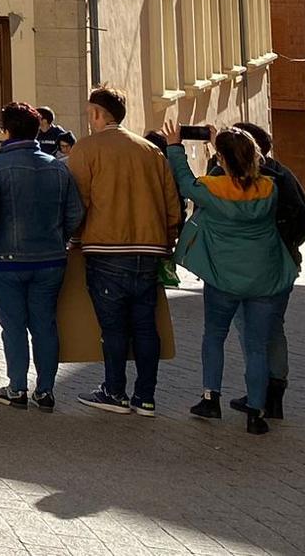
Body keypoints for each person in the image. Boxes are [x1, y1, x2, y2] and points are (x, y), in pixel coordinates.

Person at [165, 123, 294, 434]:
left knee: (214, 336)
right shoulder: (269, 189)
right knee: (257, 346)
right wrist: (224, 150)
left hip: (222, 277)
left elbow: (185, 182)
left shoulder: (211, 189)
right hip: (264, 277)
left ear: (221, 159)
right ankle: (256, 411)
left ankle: (211, 398)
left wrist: (175, 146)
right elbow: (242, 178)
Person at [66, 84, 180, 416]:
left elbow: (76, 203)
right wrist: (167, 238)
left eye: (91, 113)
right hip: (149, 248)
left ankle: (114, 391)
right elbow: (172, 205)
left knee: (113, 327)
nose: (89, 119)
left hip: (105, 249)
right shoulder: (150, 151)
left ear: (99, 114)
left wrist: (74, 237)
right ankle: (145, 397)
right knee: (145, 325)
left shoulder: (86, 149)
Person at [0, 101, 85, 410]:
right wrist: (59, 238)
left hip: (4, 259)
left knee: (12, 325)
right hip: (50, 258)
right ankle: (46, 389)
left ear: (5, 131)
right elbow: (75, 212)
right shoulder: (57, 166)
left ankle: (16, 387)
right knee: (45, 324)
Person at [221, 121, 305, 418]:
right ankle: (275, 390)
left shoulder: (244, 180)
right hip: (281, 265)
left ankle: (260, 393)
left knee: (251, 331)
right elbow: (303, 217)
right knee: (273, 328)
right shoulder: (284, 175)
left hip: (248, 269)